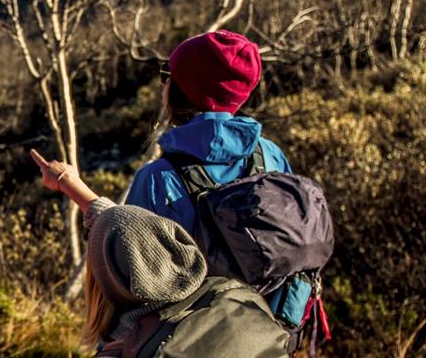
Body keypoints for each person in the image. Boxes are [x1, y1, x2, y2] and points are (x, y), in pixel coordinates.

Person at [30, 150, 289, 357]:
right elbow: (132, 234)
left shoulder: (124, 345)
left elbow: (124, 237)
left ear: (108, 280)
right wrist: (69, 183)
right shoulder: (218, 293)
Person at [125, 30, 292, 233]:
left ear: (183, 89)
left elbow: (128, 258)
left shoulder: (154, 179)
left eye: (167, 75)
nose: (164, 83)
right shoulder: (270, 155)